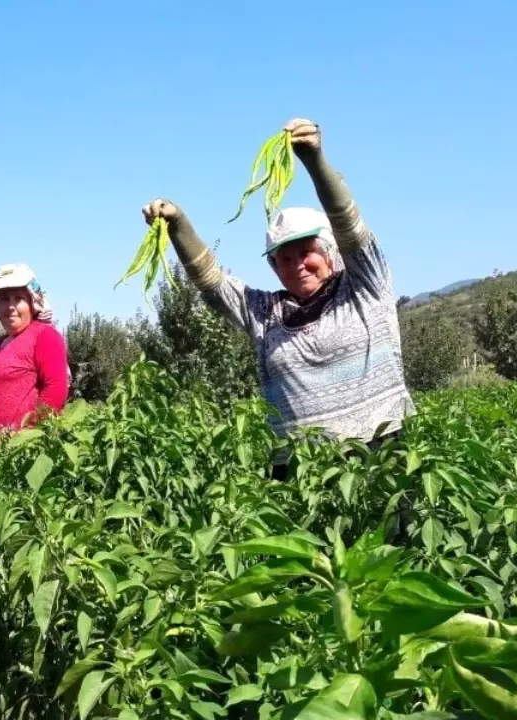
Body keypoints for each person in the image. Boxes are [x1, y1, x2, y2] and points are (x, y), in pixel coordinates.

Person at [140, 118, 414, 479]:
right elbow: (211, 281)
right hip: (299, 471)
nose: (297, 264)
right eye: (284, 258)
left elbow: (349, 224)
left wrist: (313, 159)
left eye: (306, 251)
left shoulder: (363, 286)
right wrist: (178, 224)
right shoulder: (267, 314)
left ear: (329, 250)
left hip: (381, 457)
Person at [0, 263, 70, 441]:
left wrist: (27, 436)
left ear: (32, 303)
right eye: (3, 299)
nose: (10, 306)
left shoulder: (44, 336)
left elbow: (55, 391)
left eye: (18, 298)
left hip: (24, 451)